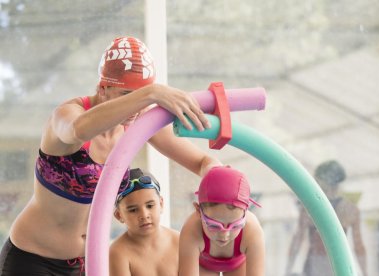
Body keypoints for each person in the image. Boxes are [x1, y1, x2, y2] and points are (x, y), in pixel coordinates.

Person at [0, 36, 220, 275]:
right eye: (127, 94)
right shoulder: (67, 114)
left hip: (87, 263)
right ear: (103, 89)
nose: (136, 106)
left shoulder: (137, 120)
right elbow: (79, 129)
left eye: (141, 94)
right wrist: (152, 94)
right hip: (31, 260)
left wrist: (218, 192)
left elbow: (202, 163)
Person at [285, 160, 367, 276]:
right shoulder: (351, 210)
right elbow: (359, 247)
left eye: (317, 180)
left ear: (322, 181)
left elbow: (297, 241)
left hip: (315, 267)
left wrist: (288, 269)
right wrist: (365, 272)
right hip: (337, 266)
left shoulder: (310, 208)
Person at [179, 166, 265, 276]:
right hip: (203, 265)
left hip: (238, 265)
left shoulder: (252, 231)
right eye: (214, 226)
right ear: (198, 212)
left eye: (235, 225)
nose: (224, 235)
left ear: (245, 214)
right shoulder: (192, 230)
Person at [110, 168, 179, 276]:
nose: (144, 215)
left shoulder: (179, 241)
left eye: (150, 206)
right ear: (119, 215)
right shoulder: (117, 253)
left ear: (161, 204)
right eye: (133, 210)